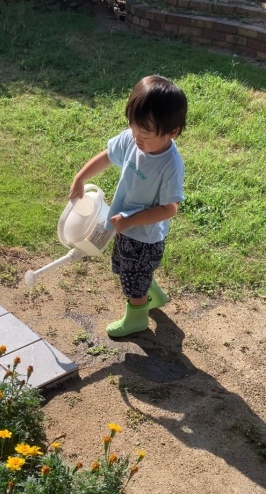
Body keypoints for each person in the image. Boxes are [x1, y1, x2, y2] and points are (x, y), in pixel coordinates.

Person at [69, 75, 188, 337]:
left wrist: (132, 220)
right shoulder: (131, 139)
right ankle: (152, 293)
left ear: (172, 132)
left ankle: (137, 318)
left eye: (145, 133)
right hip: (123, 225)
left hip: (144, 235)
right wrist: (81, 177)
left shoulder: (170, 166)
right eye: (134, 129)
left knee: (133, 277)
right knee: (128, 268)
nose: (137, 138)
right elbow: (108, 156)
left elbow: (169, 209)